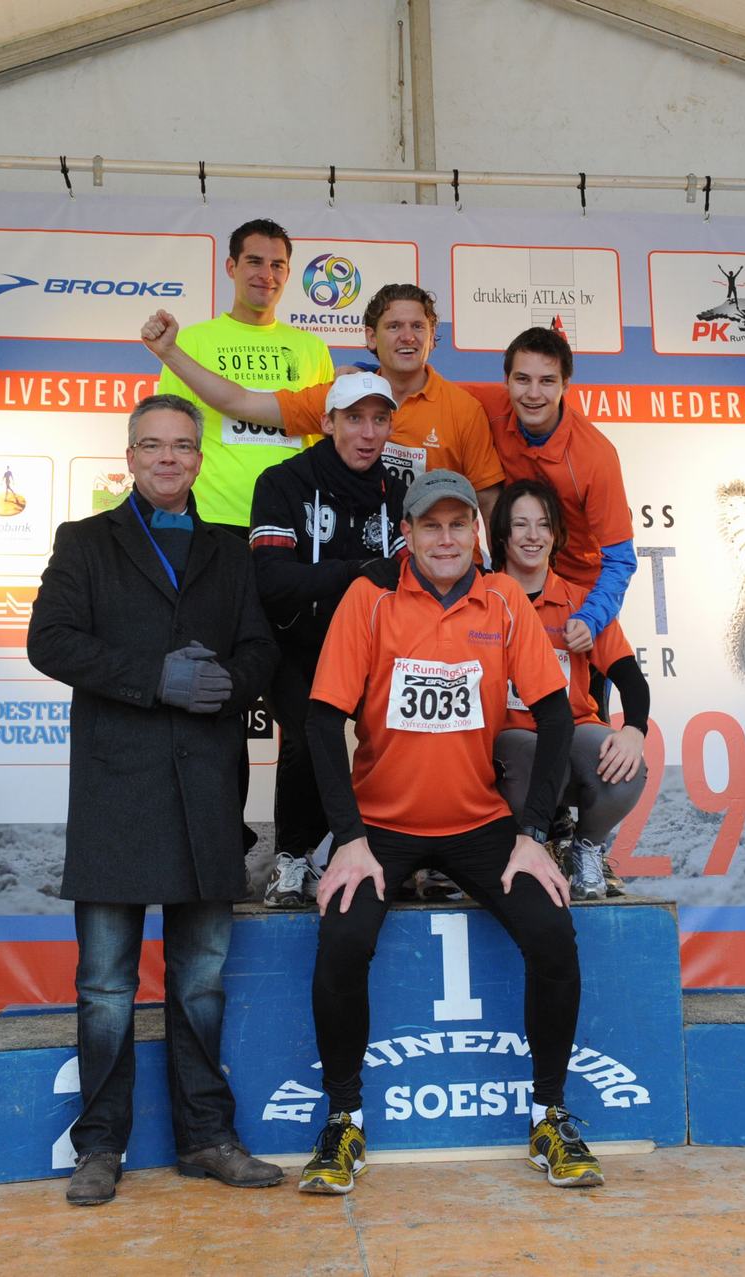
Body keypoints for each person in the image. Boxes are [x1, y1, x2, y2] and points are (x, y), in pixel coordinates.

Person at [297, 470, 605, 1194]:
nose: (445, 539)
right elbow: (320, 719)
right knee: (341, 939)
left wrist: (533, 832)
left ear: (476, 533)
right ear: (406, 533)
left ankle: (550, 1115)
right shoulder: (370, 598)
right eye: (430, 525)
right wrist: (348, 838)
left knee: (553, 932)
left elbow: (555, 715)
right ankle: (343, 1121)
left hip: (478, 822)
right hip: (381, 826)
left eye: (458, 524)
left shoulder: (501, 600)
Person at [26, 394, 283, 1207]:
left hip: (206, 794)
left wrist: (229, 682)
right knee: (105, 985)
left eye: (181, 445)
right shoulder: (84, 541)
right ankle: (99, 1147)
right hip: (117, 795)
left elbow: (262, 648)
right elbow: (49, 640)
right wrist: (154, 678)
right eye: (152, 445)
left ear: (200, 458)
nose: (168, 458)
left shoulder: (230, 550)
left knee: (200, 981)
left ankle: (207, 1137)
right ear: (130, 457)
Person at [140, 283, 504, 517]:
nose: (407, 337)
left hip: (439, 566)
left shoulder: (463, 409)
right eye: (394, 326)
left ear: (432, 335)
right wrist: (170, 352)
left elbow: (488, 502)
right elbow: (241, 402)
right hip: (360, 558)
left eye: (418, 327)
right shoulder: (339, 396)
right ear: (371, 337)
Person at [249, 370, 407, 907]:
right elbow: (272, 581)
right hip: (294, 642)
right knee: (307, 735)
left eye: (379, 420)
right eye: (354, 419)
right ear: (327, 423)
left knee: (414, 730)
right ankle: (292, 859)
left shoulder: (398, 492)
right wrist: (357, 571)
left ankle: (401, 851)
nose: (368, 433)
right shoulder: (282, 482)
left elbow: (410, 578)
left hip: (372, 647)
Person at [489, 479, 650, 900]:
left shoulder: (581, 604)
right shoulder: (482, 599)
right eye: (520, 524)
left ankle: (586, 847)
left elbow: (631, 679)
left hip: (575, 729)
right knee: (536, 755)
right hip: (508, 737)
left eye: (543, 524)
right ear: (502, 533)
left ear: (557, 535)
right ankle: (534, 842)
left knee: (626, 765)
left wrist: (634, 730)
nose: (533, 536)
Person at [155, 218, 336, 537]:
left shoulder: (313, 348)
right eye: (254, 261)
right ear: (231, 267)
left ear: (288, 273)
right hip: (212, 514)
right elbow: (170, 432)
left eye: (277, 265)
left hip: (293, 516)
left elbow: (328, 441)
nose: (266, 275)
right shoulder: (189, 343)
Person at [461, 325, 635, 647]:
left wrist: (590, 617)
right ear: (506, 380)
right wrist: (373, 373)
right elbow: (429, 391)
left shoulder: (596, 457)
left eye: (547, 381)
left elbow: (620, 559)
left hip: (579, 592)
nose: (533, 394)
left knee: (592, 681)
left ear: (566, 384)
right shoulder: (488, 405)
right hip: (514, 581)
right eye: (522, 379)